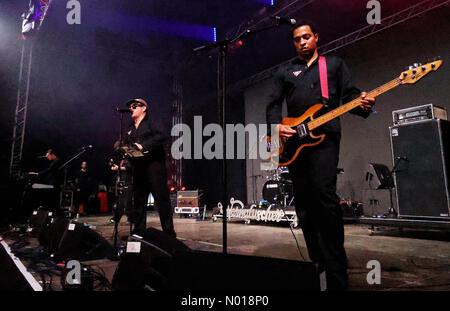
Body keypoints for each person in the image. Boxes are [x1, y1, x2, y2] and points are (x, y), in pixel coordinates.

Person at [265, 20, 375, 290]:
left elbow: (351, 97)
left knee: (324, 198)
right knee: (303, 205)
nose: (302, 42)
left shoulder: (334, 65)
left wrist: (364, 104)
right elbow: (272, 105)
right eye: (297, 39)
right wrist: (277, 126)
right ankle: (318, 263)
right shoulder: (285, 71)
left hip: (324, 139)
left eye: (306, 37)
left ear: (316, 37)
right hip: (294, 144)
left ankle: (337, 269)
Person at [122, 98, 176, 237]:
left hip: (154, 167)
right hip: (138, 168)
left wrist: (144, 146)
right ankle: (139, 232)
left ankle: (169, 233)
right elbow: (126, 143)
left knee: (161, 200)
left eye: (134, 105)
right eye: (130, 106)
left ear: (144, 108)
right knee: (139, 201)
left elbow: (162, 136)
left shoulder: (151, 122)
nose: (131, 108)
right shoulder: (130, 127)